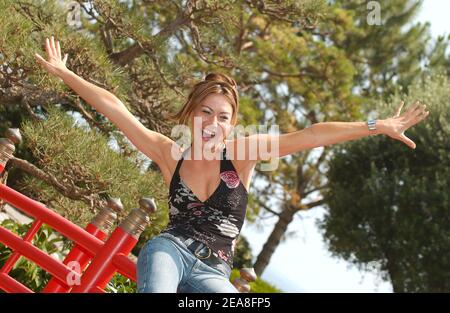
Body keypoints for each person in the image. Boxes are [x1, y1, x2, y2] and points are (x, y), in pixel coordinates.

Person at [34, 36, 430, 293]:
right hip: (168, 252)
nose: (213, 122)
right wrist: (66, 73)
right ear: (191, 114)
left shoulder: (243, 154)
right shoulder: (170, 153)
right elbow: (116, 109)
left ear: (232, 124)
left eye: (223, 117)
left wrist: (377, 126)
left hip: (214, 274)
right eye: (206, 112)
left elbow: (311, 134)